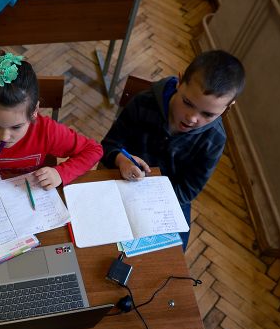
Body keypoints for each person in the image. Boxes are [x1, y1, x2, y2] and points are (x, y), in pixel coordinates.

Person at [100, 50, 245, 248]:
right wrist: (120, 159)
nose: (192, 118)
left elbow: (187, 191)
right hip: (121, 179)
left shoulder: (215, 139)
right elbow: (108, 145)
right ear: (179, 81)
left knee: (168, 257)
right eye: (187, 103)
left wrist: (148, 202)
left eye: (207, 114)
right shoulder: (143, 102)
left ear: (228, 107)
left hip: (169, 200)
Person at [0, 53, 102, 189]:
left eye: (16, 127)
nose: (4, 137)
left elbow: (93, 150)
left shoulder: (46, 131)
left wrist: (60, 173)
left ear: (34, 112)